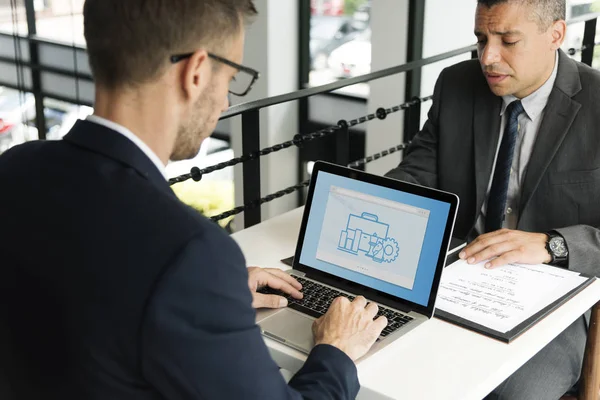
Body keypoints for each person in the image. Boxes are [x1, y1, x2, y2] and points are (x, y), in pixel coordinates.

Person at [0, 1, 388, 399]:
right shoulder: (189, 252)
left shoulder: (15, 169)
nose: (226, 102)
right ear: (196, 72)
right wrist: (336, 350)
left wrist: (211, 298)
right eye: (231, 80)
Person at [386, 0, 600, 398]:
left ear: (556, 34)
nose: (488, 57)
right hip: (458, 270)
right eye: (481, 39)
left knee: (507, 391)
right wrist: (380, 205)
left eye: (508, 40)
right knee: (384, 354)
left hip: (557, 294)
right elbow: (418, 171)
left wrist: (551, 244)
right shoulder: (456, 84)